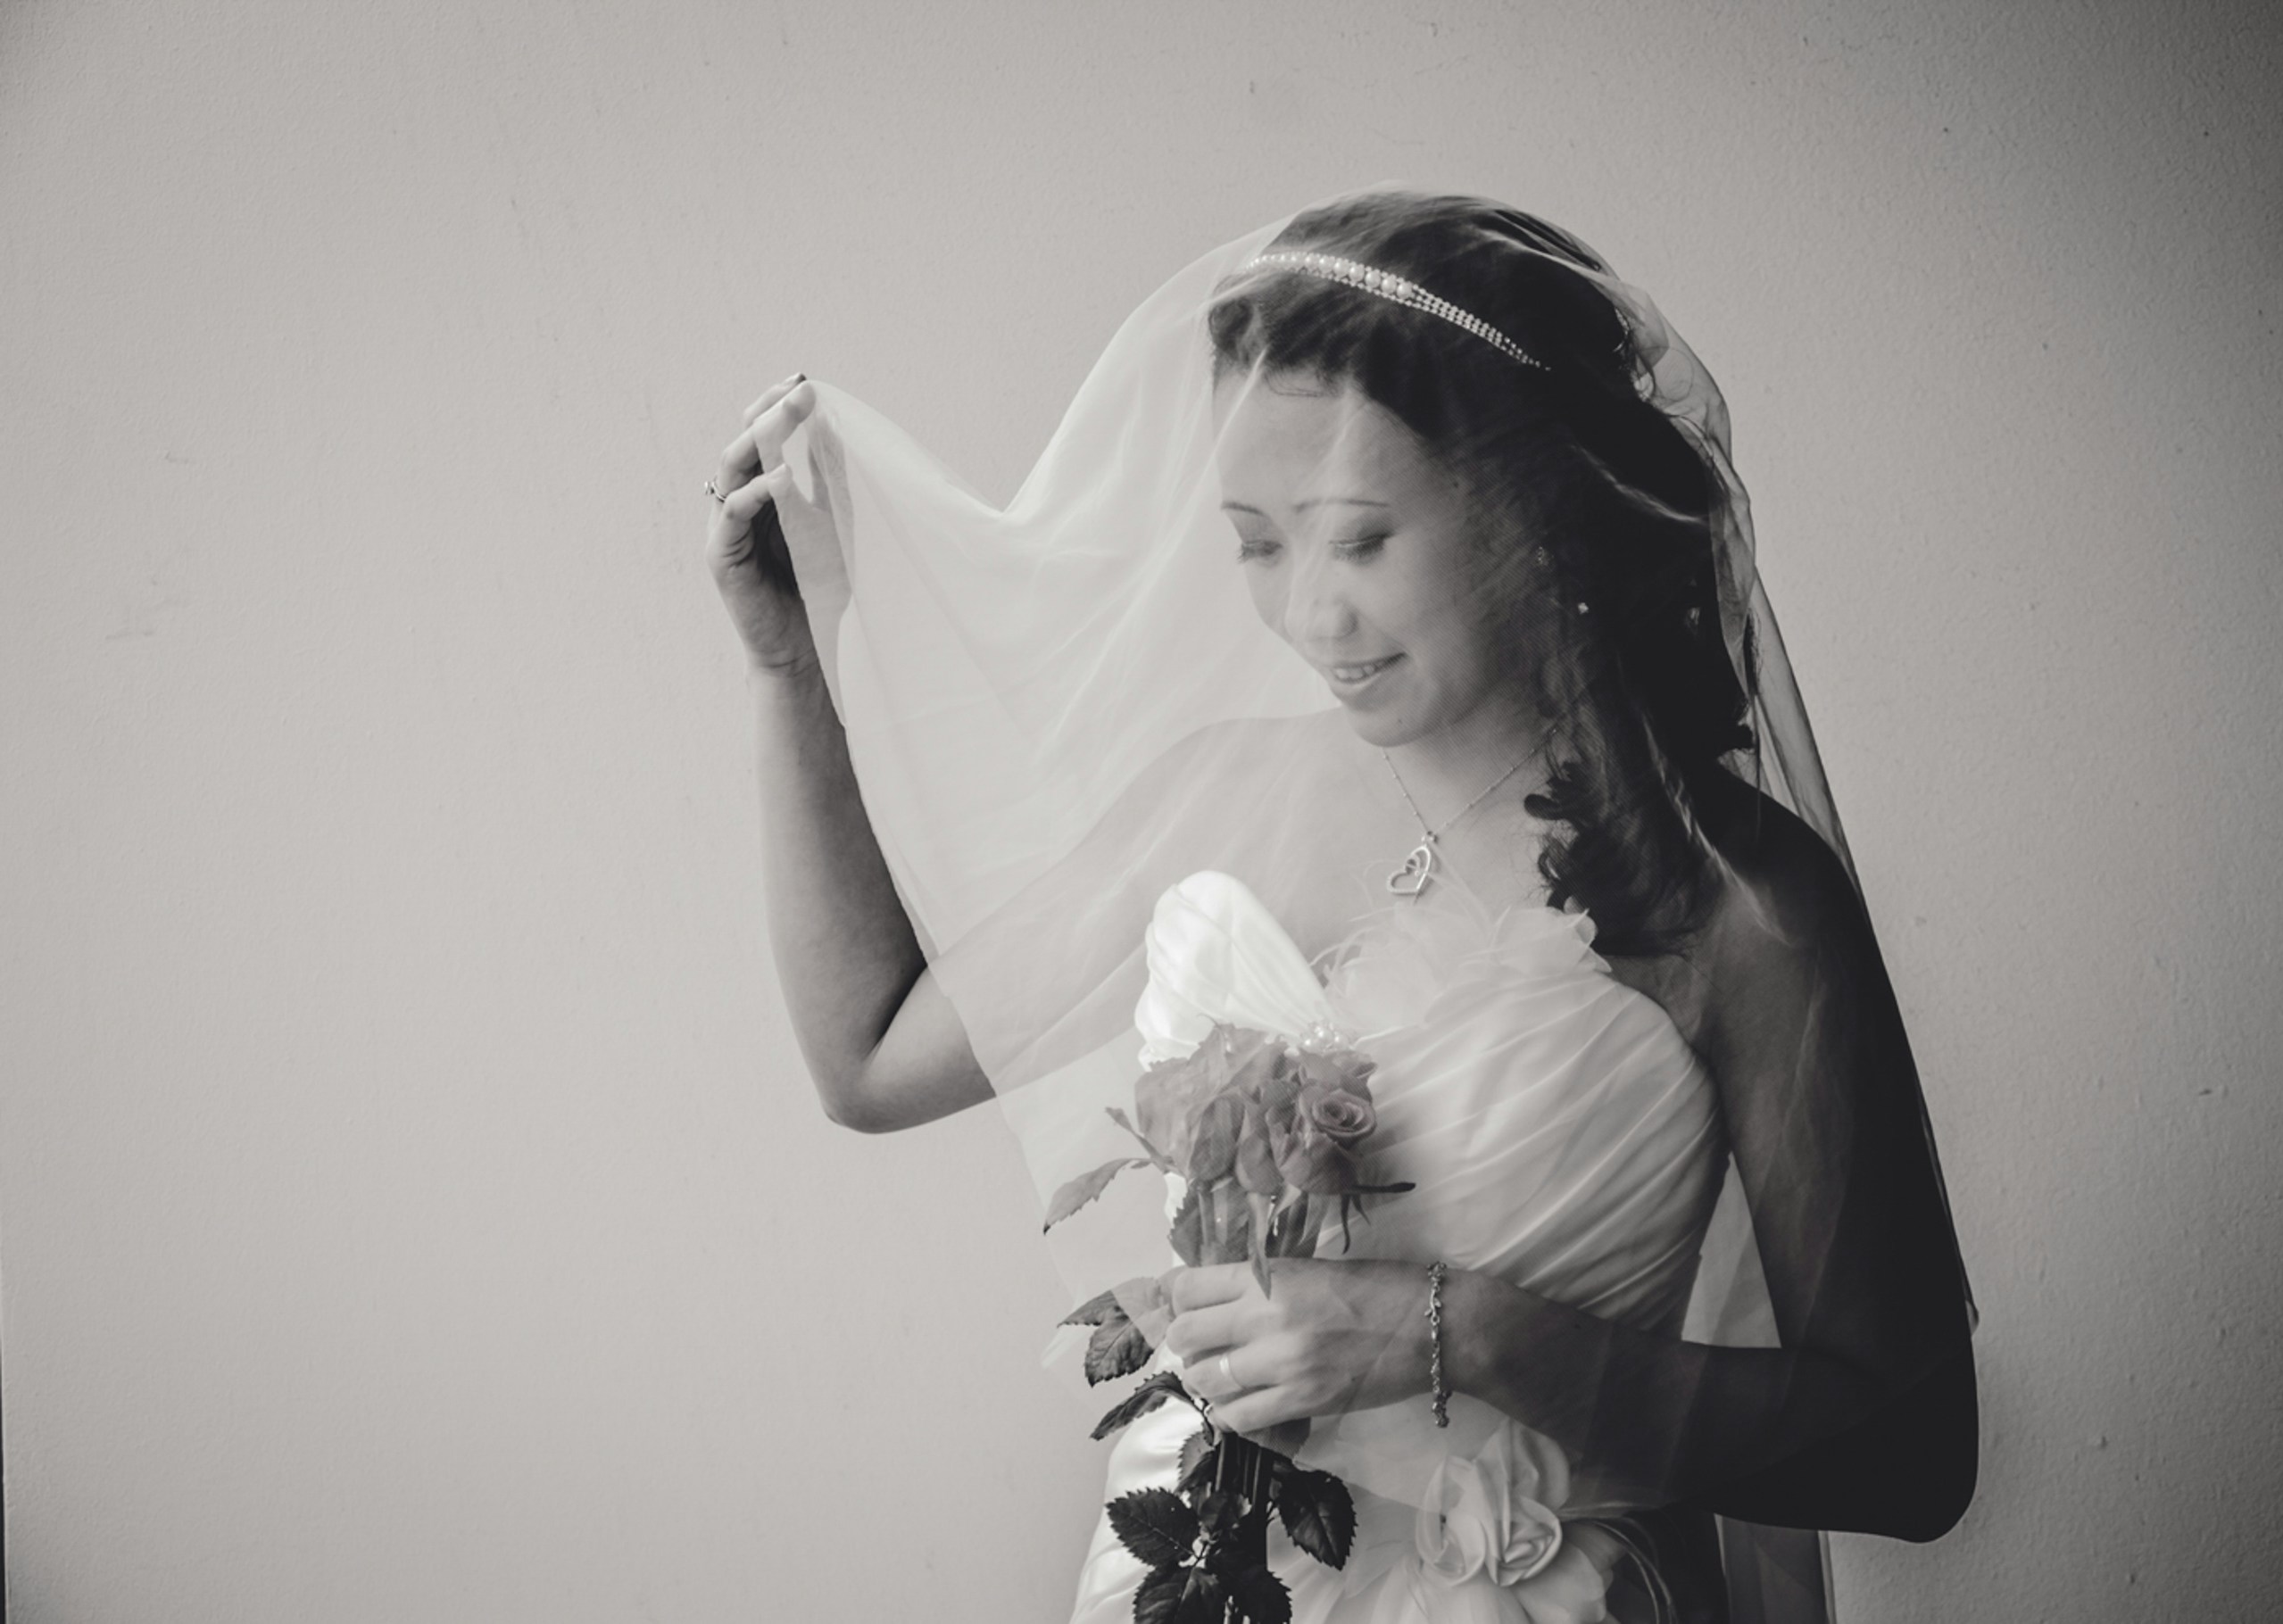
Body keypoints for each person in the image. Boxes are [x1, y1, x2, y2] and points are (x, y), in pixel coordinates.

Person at [701, 189, 1975, 1623]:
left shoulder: (1738, 908)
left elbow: (1912, 1457)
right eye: (1258, 543)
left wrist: (1466, 1332)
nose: (1311, 615)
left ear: (1532, 508)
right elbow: (868, 1058)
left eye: (1360, 540)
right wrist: (786, 669)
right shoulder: (1227, 797)